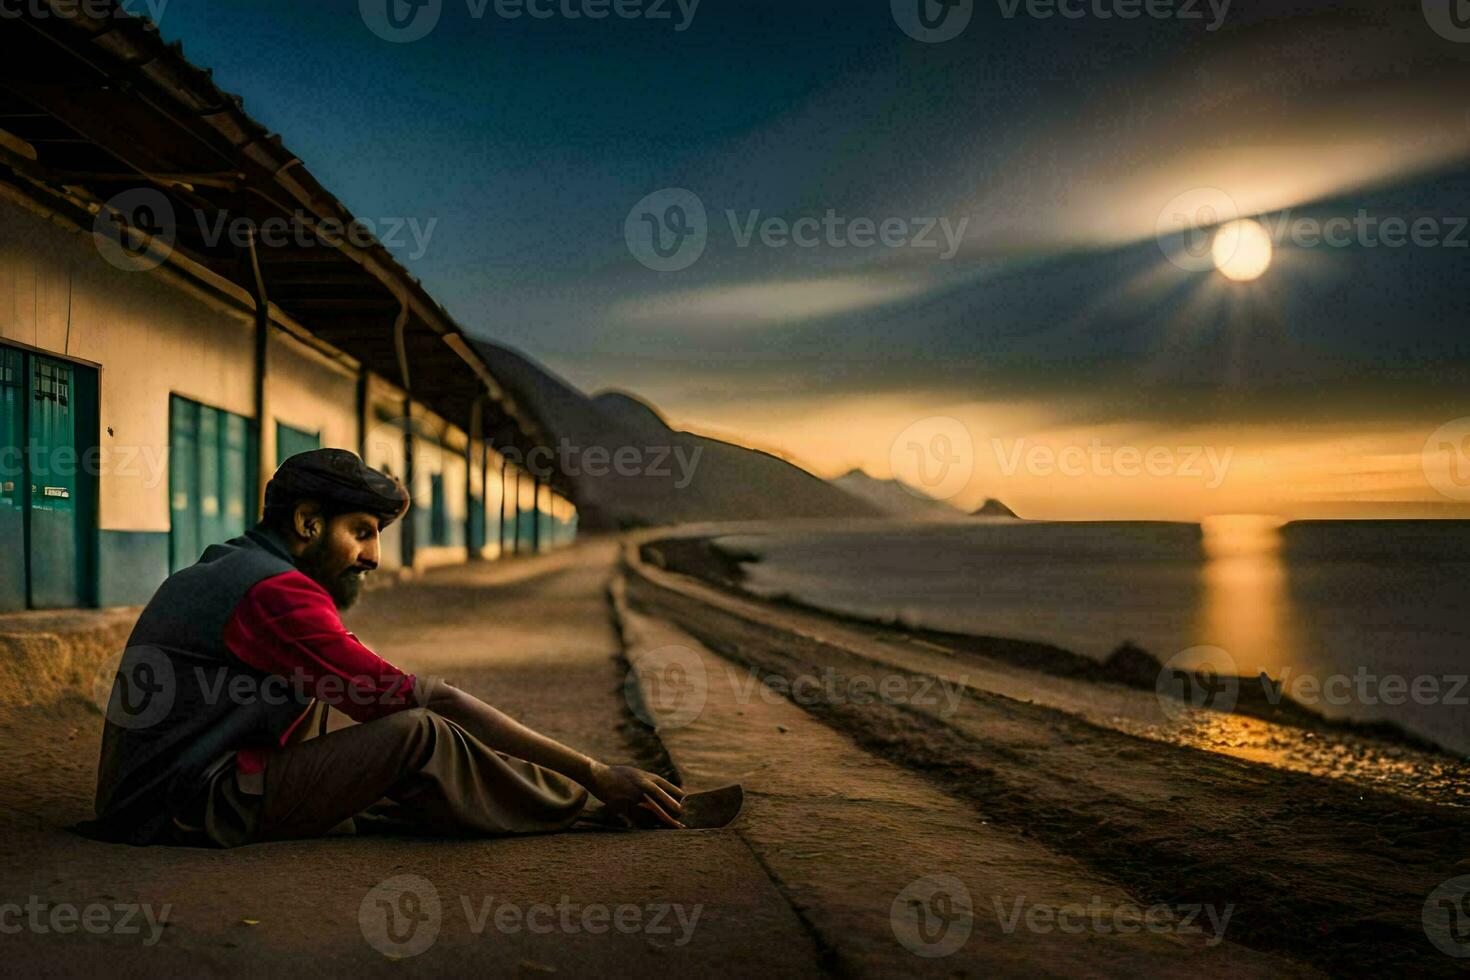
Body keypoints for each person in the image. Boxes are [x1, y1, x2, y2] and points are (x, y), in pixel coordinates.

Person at [82, 448, 683, 847]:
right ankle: (584, 805)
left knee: (351, 710)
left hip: (149, 798)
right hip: (180, 809)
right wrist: (596, 770)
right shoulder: (275, 593)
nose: (373, 556)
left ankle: (507, 801)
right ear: (310, 522)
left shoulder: (233, 566)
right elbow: (419, 701)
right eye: (362, 533)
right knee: (418, 732)